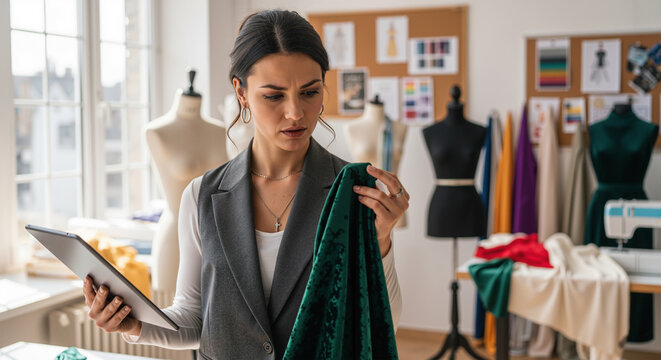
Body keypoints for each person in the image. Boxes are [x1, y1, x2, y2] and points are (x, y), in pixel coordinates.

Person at [81, 9, 407, 360]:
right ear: (241, 92)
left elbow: (382, 322)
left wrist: (382, 241)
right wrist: (134, 326)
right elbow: (194, 317)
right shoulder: (201, 196)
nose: (295, 112)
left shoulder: (352, 193)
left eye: (310, 92)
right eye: (274, 96)